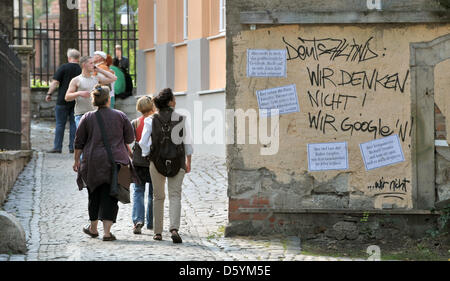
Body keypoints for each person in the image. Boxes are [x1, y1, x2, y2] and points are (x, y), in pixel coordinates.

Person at [73, 85, 134, 241]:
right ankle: (107, 233)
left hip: (92, 161)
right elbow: (129, 139)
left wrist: (76, 161)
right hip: (116, 162)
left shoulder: (87, 117)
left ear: (94, 100)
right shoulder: (120, 116)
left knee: (93, 194)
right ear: (108, 100)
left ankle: (93, 228)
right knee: (111, 195)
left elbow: (78, 142)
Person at [139, 88, 193, 243]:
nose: (175, 101)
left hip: (156, 161)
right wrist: (189, 161)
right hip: (178, 159)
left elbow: (143, 142)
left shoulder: (151, 120)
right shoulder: (182, 119)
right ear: (170, 102)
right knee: (175, 195)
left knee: (158, 196)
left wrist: (147, 154)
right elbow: (188, 143)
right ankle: (174, 228)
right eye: (174, 99)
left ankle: (157, 232)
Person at [46, 48, 81, 154]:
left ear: (69, 58)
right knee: (74, 124)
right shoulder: (81, 69)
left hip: (62, 100)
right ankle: (72, 147)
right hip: (76, 100)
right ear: (78, 58)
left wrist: (49, 94)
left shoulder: (63, 67)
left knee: (60, 124)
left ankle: (57, 147)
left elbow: (55, 82)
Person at [65, 56, 117, 128]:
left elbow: (114, 78)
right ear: (84, 65)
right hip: (81, 115)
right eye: (91, 63)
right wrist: (79, 93)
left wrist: (99, 70)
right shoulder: (76, 80)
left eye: (93, 63)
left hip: (95, 114)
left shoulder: (96, 78)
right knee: (83, 138)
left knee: (95, 138)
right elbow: (67, 97)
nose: (94, 65)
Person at [130, 96, 155, 234]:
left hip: (138, 161)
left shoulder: (135, 123)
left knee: (138, 192)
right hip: (153, 161)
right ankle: (151, 222)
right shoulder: (155, 121)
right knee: (153, 193)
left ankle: (138, 220)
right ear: (152, 107)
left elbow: (127, 140)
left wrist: (130, 155)